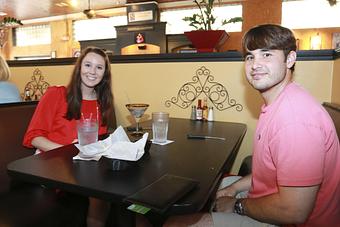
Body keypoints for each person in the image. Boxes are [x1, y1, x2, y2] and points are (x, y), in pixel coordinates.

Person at [164, 24, 340, 227]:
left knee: (175, 223)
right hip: (270, 196)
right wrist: (234, 188)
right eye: (249, 56)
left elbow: (294, 211)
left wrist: (237, 204)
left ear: (290, 59)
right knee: (202, 189)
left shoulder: (295, 121)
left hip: (290, 220)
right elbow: (274, 170)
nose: (255, 64)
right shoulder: (280, 101)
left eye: (266, 55)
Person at [23, 46, 116, 227]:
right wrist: (68, 150)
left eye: (99, 67)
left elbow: (98, 140)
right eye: (88, 65)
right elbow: (33, 137)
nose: (92, 71)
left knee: (107, 190)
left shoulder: (102, 102)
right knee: (100, 189)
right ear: (79, 67)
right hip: (50, 162)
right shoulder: (56, 94)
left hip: (82, 166)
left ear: (105, 74)